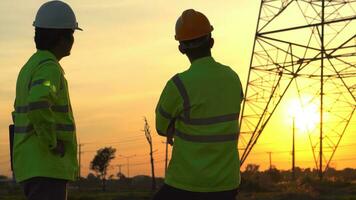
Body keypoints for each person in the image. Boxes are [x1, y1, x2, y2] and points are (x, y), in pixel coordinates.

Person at [154, 9, 244, 200]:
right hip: (226, 184)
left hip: (185, 184)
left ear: (181, 48)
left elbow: (161, 127)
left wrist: (175, 126)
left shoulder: (177, 85)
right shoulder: (233, 78)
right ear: (211, 42)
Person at [11, 1, 82, 199]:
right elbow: (38, 104)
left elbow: (20, 111)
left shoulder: (30, 67)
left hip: (31, 165)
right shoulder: (49, 68)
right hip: (46, 166)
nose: (73, 41)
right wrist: (52, 142)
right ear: (61, 37)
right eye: (72, 35)